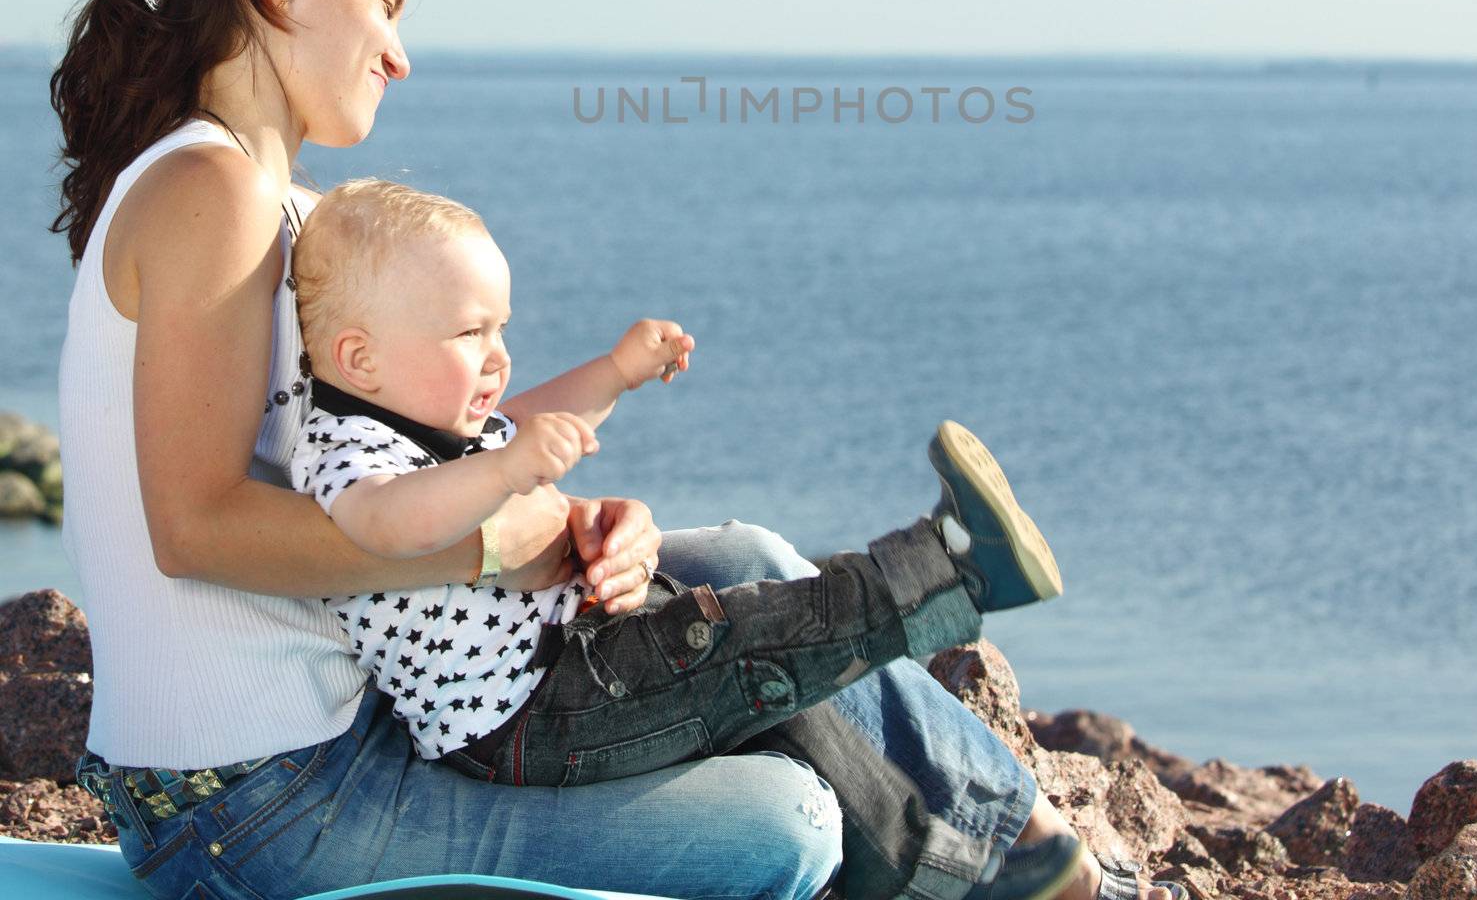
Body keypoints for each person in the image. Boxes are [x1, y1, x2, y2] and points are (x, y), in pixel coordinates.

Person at [52, 0, 1184, 900]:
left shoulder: (284, 207)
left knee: (741, 558)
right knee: (786, 822)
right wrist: (497, 540)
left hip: (376, 700)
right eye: (386, 4)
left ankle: (1030, 855)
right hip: (255, 804)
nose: (400, 50)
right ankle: (1000, 866)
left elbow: (418, 452)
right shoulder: (212, 193)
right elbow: (192, 527)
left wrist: (581, 521)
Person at [286, 177, 1068, 790]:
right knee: (750, 640)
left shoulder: (436, 414)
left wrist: (617, 372)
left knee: (767, 675)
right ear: (360, 360)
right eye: (469, 332)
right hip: (523, 720)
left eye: (503, 328)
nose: (498, 356)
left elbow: (530, 412)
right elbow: (386, 528)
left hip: (572, 660)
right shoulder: (348, 451)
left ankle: (935, 859)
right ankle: (950, 570)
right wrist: (505, 472)